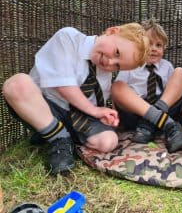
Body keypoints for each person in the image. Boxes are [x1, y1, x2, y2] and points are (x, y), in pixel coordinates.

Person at [2, 23, 149, 175]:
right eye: (117, 53)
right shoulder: (68, 38)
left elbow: (92, 105)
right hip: (45, 106)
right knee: (16, 84)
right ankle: (60, 140)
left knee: (109, 140)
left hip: (74, 116)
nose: (110, 63)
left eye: (117, 66)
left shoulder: (104, 74)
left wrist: (102, 116)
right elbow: (63, 85)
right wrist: (94, 110)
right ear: (112, 32)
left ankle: (51, 133)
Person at [111, 18, 182, 153]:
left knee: (181, 72)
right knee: (117, 86)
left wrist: (161, 107)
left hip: (164, 109)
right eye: (149, 44)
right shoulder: (130, 66)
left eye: (158, 45)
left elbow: (174, 90)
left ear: (164, 48)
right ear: (139, 45)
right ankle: (163, 125)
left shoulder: (167, 66)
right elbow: (117, 96)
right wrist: (116, 120)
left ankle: (149, 124)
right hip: (136, 114)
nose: (153, 49)